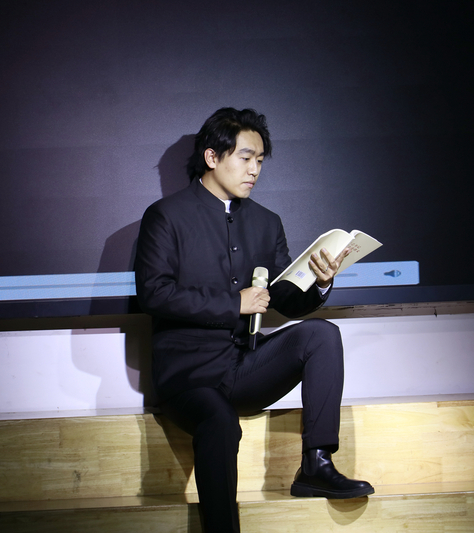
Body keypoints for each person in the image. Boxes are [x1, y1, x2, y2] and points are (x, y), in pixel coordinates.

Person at [134, 107, 373, 533]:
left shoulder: (266, 222)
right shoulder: (165, 215)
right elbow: (154, 292)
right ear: (212, 157)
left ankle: (316, 465)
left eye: (260, 160)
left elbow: (285, 301)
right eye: (245, 158)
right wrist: (234, 304)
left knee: (321, 335)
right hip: (188, 376)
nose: (254, 170)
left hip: (243, 366)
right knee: (219, 421)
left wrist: (320, 283)